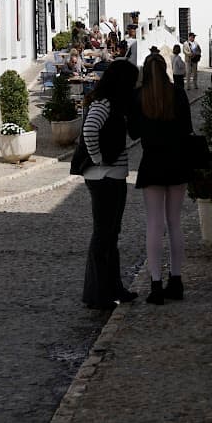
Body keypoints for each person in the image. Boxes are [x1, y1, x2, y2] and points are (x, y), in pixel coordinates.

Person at [134, 53, 193, 305]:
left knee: (154, 224)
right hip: (177, 161)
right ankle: (176, 281)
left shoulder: (140, 96)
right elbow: (188, 128)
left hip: (152, 162)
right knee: (174, 222)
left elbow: (133, 132)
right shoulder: (177, 93)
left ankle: (156, 284)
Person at [80, 61, 139, 310]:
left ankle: (113, 288)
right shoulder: (103, 103)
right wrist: (97, 158)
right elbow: (89, 129)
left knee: (111, 234)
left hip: (113, 176)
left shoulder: (114, 103)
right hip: (103, 178)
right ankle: (97, 294)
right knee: (103, 235)